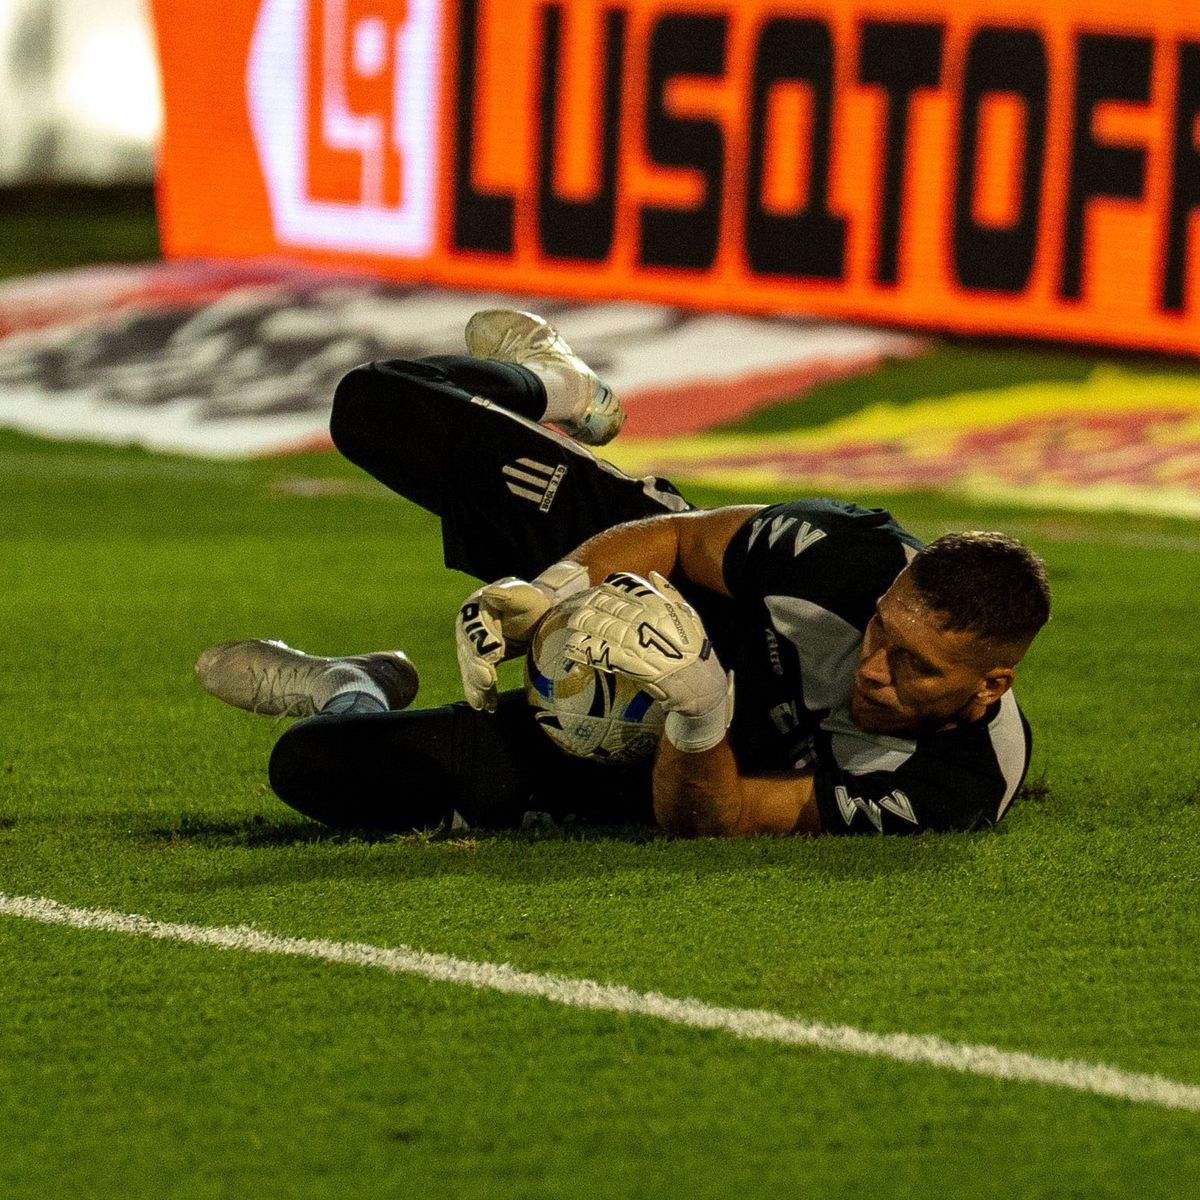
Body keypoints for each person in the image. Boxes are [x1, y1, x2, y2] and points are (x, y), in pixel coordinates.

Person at [196, 310, 1051, 838]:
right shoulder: (850, 555)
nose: (874, 666)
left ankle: (353, 684)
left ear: (990, 685)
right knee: (375, 406)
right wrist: (555, 592)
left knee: (315, 766)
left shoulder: (961, 783)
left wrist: (702, 709)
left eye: (915, 667)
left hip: (663, 761)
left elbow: (729, 820)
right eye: (881, 634)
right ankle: (555, 382)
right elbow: (681, 542)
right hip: (641, 572)